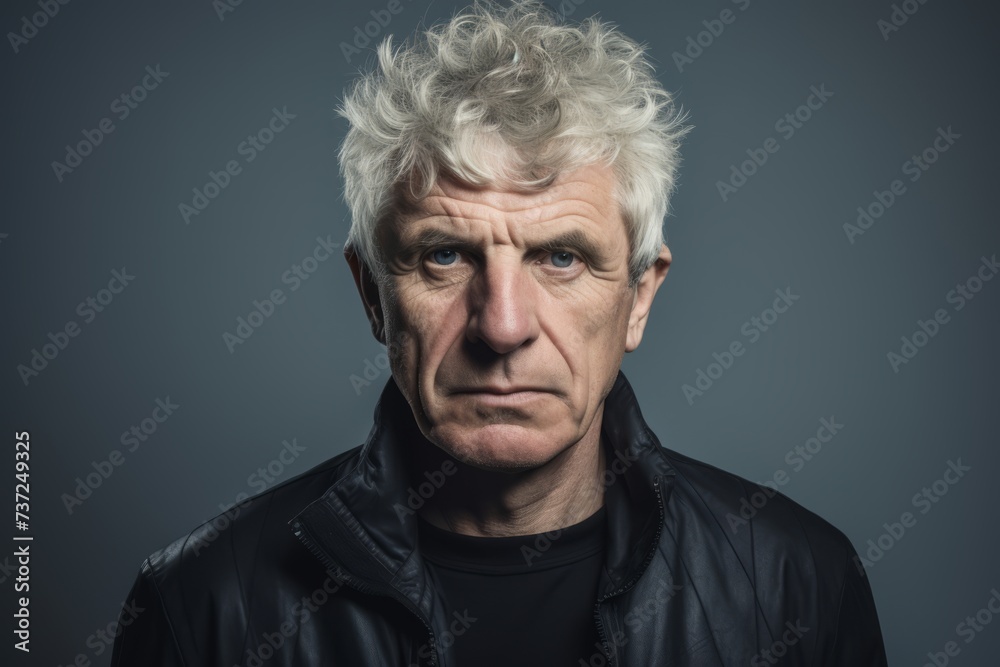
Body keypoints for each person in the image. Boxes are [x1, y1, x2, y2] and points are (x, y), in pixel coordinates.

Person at [111, 1, 888, 664]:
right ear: (372, 294)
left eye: (561, 256)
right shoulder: (201, 605)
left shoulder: (798, 581)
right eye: (443, 255)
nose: (503, 325)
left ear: (640, 297)